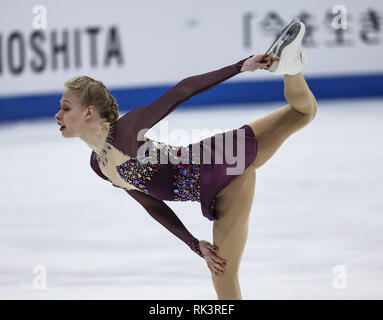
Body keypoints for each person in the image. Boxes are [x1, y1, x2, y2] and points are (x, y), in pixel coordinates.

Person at [55, 18, 317, 299]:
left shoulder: (128, 131)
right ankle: (292, 68)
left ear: (89, 112)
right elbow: (149, 202)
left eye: (65, 108)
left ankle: (290, 66)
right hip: (214, 155)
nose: (57, 115)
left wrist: (240, 66)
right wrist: (194, 244)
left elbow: (181, 92)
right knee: (303, 112)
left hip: (223, 177)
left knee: (224, 275)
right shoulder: (100, 165)